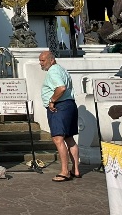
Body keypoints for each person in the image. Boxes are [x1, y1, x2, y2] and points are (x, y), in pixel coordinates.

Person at [39, 50, 81, 181]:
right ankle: (76, 170)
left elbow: (61, 88)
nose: (40, 63)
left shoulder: (53, 71)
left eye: (43, 60)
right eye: (40, 60)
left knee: (58, 138)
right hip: (69, 105)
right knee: (69, 138)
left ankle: (64, 171)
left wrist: (52, 101)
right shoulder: (62, 70)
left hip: (60, 107)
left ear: (51, 60)